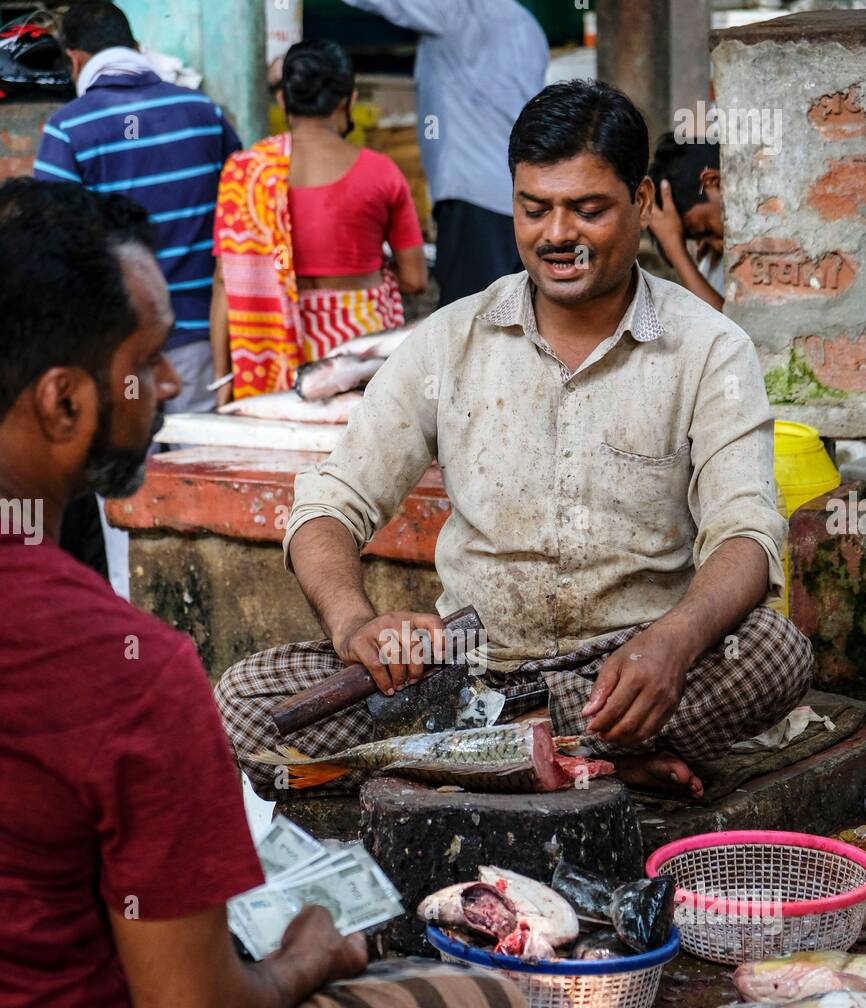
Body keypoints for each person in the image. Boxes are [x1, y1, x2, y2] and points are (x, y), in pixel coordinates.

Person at [0, 180, 549, 1008]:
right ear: (62, 405)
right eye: (144, 366)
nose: (164, 388)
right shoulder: (121, 668)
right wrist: (306, 959)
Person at [216, 80, 813, 806]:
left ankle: (478, 758)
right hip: (468, 667)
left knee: (774, 654)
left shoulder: (709, 349)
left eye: (587, 209)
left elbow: (746, 534)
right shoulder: (451, 338)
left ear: (643, 200)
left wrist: (675, 642)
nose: (557, 234)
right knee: (245, 704)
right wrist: (355, 625)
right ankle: (568, 757)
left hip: (625, 669)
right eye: (535, 209)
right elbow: (329, 503)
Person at [34, 1, 240, 416]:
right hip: (200, 346)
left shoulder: (68, 129)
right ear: (137, 46)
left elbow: (54, 250)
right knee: (198, 469)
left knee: (129, 474)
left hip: (120, 352)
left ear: (74, 60)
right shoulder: (205, 114)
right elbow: (243, 219)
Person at [211, 39, 426, 406]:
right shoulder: (381, 173)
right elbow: (415, 279)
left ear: (283, 100)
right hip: (355, 354)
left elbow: (225, 284)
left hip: (269, 355)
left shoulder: (246, 172)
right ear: (348, 99)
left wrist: (222, 378)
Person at [342, 0, 550, 306]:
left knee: (467, 328)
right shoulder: (529, 27)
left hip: (474, 200)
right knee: (516, 322)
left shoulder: (456, 11)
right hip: (524, 198)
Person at [648, 134, 724, 310]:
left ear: (713, 182)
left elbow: (732, 331)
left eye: (706, 230)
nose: (717, 246)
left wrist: (675, 249)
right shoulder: (712, 260)